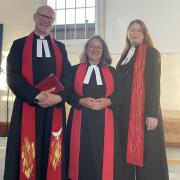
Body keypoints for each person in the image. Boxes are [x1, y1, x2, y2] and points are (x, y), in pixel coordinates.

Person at [4, 5, 72, 180]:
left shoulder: (60, 47)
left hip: (54, 108)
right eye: (42, 16)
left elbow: (68, 77)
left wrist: (57, 97)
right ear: (34, 17)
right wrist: (36, 96)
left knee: (51, 153)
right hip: (28, 105)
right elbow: (12, 76)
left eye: (50, 18)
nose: (46, 20)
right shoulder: (19, 45)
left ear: (53, 22)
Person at [116, 19, 169, 180]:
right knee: (126, 154)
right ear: (127, 33)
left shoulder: (152, 53)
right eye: (131, 30)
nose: (134, 33)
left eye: (138, 30)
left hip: (144, 112)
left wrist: (152, 113)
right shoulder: (125, 53)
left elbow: (154, 84)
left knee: (147, 156)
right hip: (125, 114)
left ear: (144, 33)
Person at [67, 35, 121, 180]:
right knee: (81, 154)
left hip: (104, 122)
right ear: (86, 49)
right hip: (81, 120)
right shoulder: (74, 70)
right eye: (92, 46)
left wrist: (108, 101)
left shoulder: (112, 71)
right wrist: (81, 100)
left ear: (104, 51)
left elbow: (120, 94)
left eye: (99, 47)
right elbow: (67, 94)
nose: (95, 49)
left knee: (102, 156)